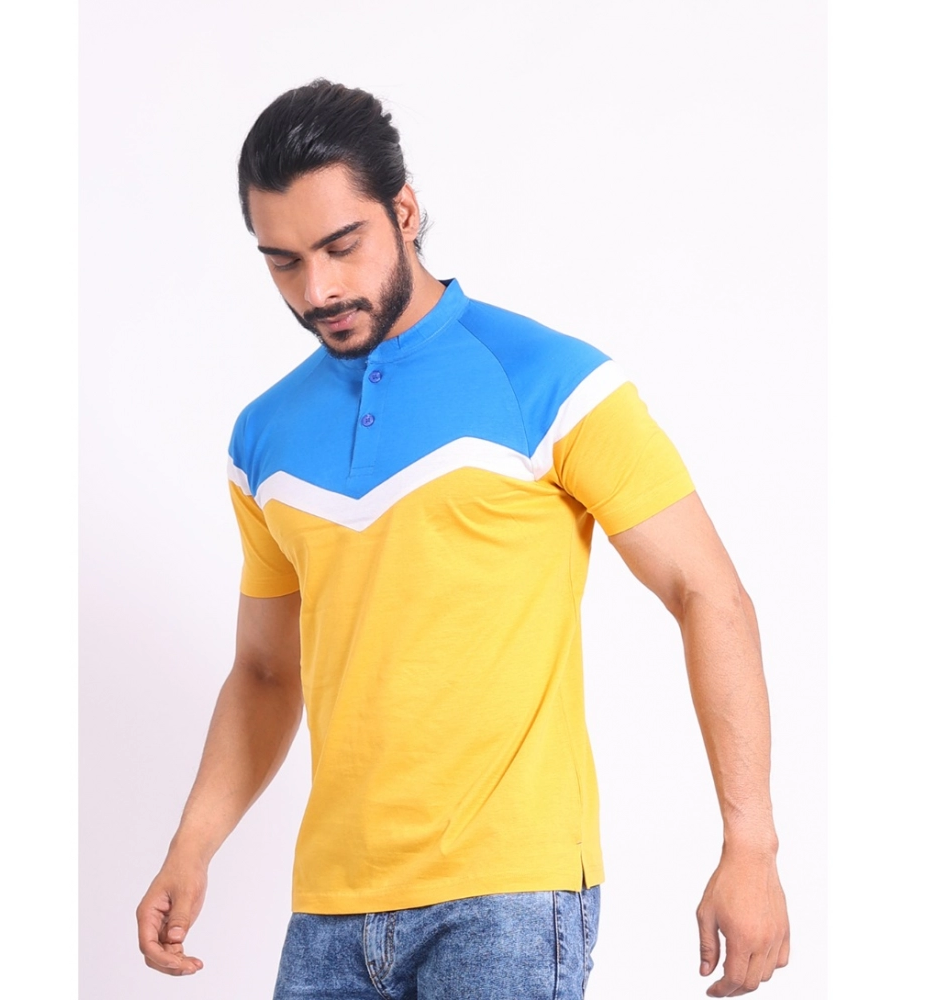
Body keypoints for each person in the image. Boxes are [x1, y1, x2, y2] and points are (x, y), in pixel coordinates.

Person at [136, 79, 790, 999]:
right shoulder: (264, 436)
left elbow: (708, 592)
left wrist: (751, 845)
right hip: (329, 910)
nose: (318, 290)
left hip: (509, 900)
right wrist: (191, 846)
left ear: (404, 212)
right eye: (283, 262)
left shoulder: (550, 379)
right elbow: (267, 672)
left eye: (341, 246)